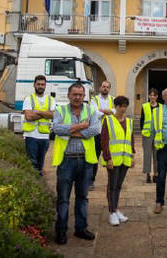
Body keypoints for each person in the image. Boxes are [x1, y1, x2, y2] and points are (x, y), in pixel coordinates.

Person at [51, 82, 102, 244]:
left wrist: (73, 132)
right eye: (75, 94)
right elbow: (56, 128)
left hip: (86, 161)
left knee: (82, 197)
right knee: (63, 198)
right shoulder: (60, 110)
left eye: (80, 95)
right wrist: (80, 126)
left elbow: (96, 130)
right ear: (68, 95)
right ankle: (61, 231)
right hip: (67, 160)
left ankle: (81, 228)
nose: (78, 97)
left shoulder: (91, 110)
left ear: (84, 96)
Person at [101, 96, 136, 226]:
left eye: (125, 106)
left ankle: (116, 209)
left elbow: (131, 140)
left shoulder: (129, 122)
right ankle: (112, 212)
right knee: (112, 186)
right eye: (120, 106)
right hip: (113, 160)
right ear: (115, 107)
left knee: (119, 185)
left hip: (125, 159)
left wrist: (132, 156)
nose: (123, 108)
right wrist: (107, 158)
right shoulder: (108, 120)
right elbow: (104, 140)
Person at [21, 75, 55, 176]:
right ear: (34, 85)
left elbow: (52, 115)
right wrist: (45, 113)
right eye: (38, 84)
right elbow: (28, 117)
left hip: (44, 136)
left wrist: (37, 111)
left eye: (43, 84)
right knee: (32, 164)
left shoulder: (50, 100)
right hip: (31, 136)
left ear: (45, 86)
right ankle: (33, 184)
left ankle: (38, 184)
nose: (40, 86)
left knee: (40, 165)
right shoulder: (28, 99)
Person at [91, 80, 115, 190]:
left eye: (107, 87)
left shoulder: (113, 99)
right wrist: (109, 111)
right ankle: (91, 181)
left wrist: (102, 111)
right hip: (97, 132)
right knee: (94, 158)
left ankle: (112, 182)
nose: (105, 88)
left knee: (110, 157)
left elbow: (116, 112)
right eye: (103, 86)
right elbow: (95, 113)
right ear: (100, 87)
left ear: (109, 88)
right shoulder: (94, 99)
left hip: (109, 133)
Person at [140, 88, 162, 183]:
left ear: (157, 96)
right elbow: (142, 120)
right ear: (148, 96)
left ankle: (156, 174)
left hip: (158, 134)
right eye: (151, 95)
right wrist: (142, 131)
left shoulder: (161, 107)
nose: (152, 97)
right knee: (147, 155)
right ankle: (148, 174)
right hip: (147, 134)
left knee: (157, 155)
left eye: (154, 95)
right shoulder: (144, 106)